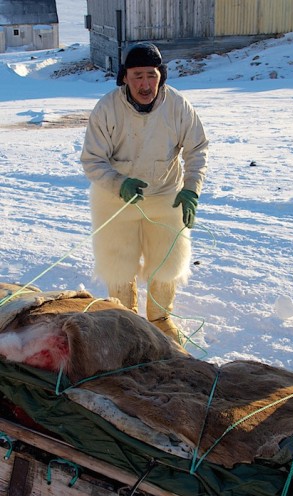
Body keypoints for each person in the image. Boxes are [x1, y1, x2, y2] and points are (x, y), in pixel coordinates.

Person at [81, 42, 209, 344]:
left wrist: (191, 190)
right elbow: (92, 160)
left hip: (166, 194)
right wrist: (118, 183)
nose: (145, 84)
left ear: (161, 76)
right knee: (118, 262)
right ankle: (125, 321)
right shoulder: (107, 108)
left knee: (167, 261)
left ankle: (161, 319)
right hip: (115, 197)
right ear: (125, 77)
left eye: (151, 75)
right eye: (137, 75)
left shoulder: (178, 106)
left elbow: (197, 149)